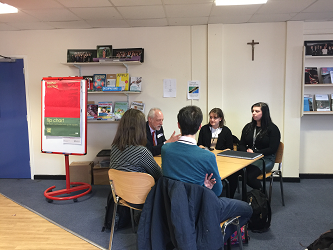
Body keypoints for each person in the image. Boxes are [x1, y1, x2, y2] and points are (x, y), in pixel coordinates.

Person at [161, 105, 252, 240]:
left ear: (178, 125)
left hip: (173, 205)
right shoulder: (207, 156)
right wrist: (206, 188)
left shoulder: (165, 149)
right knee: (247, 209)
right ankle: (216, 235)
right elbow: (217, 191)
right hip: (200, 206)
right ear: (199, 127)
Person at [227, 102, 281, 198]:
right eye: (252, 111)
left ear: (264, 113)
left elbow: (272, 149)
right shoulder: (248, 127)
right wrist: (246, 152)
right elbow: (241, 144)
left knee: (249, 176)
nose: (253, 113)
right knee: (232, 172)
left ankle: (263, 197)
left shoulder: (273, 129)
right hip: (249, 157)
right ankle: (229, 199)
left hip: (266, 159)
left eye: (257, 111)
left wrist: (255, 153)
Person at [110, 108, 162, 181]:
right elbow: (159, 174)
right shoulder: (141, 152)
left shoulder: (114, 147)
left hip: (118, 190)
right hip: (140, 191)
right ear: (140, 129)